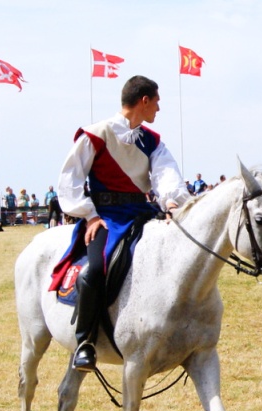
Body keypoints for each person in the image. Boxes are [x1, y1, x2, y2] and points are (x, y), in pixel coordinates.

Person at [57, 75, 189, 373]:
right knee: (95, 270)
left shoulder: (151, 141)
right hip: (104, 217)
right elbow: (70, 179)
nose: (158, 108)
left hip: (141, 212)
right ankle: (85, 342)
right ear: (144, 100)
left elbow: (166, 174)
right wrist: (89, 214)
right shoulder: (95, 134)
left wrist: (170, 201)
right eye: (156, 101)